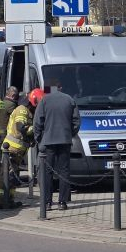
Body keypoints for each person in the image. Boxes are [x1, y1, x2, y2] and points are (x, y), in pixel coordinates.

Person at [34, 79, 79, 210]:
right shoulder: (69, 99)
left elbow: (38, 122)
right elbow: (76, 121)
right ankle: (62, 202)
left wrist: (38, 138)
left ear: (49, 88)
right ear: (60, 87)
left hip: (48, 141)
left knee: (47, 172)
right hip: (65, 140)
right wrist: (69, 134)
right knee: (64, 171)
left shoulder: (44, 100)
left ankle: (47, 202)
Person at [1, 87, 42, 202]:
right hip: (12, 148)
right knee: (7, 176)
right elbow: (21, 127)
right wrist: (36, 128)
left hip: (17, 150)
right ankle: (2, 201)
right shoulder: (22, 110)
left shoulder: (27, 110)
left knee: (12, 177)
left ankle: (9, 199)